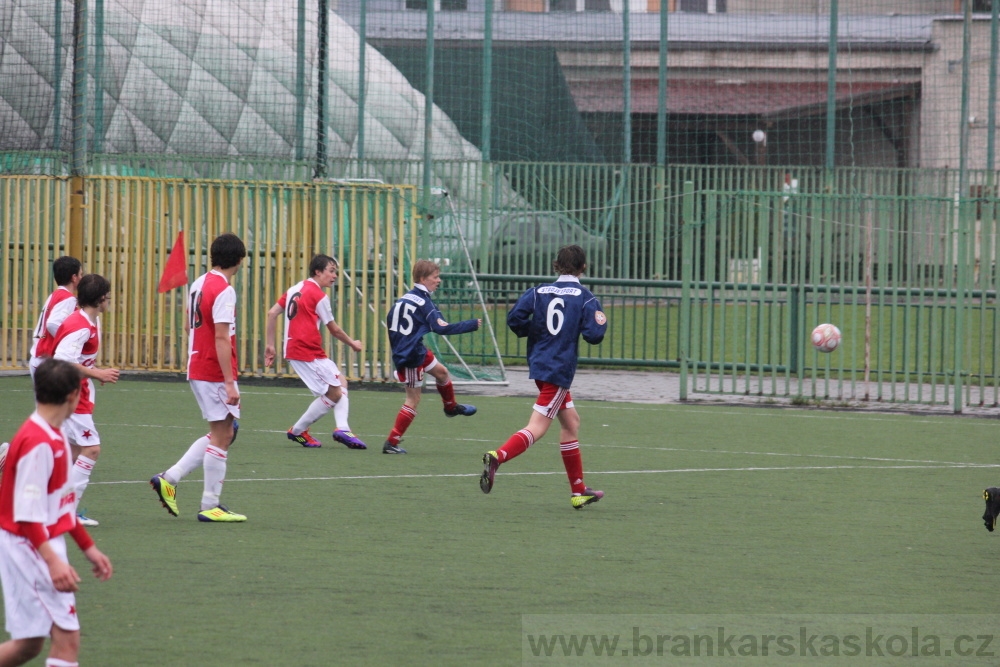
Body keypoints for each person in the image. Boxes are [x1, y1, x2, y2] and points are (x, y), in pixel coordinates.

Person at [0, 358, 113, 667]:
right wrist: (53, 562)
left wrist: (88, 548)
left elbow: (61, 504)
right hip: (30, 547)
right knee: (67, 639)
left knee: (28, 645)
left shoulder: (55, 434)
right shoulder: (39, 442)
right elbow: (27, 516)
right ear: (75, 395)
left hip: (35, 543)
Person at [480, 245, 608, 509]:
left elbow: (515, 319)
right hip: (558, 369)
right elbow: (594, 335)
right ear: (583, 267)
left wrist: (538, 330)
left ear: (556, 265)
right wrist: (599, 322)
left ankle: (579, 491)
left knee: (571, 423)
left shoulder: (538, 291)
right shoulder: (585, 298)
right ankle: (498, 456)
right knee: (537, 426)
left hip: (539, 364)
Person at [150, 232, 248, 523]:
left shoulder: (199, 283)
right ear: (239, 260)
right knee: (223, 434)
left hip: (198, 365)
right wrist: (229, 381)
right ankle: (209, 505)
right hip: (212, 370)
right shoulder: (224, 290)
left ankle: (170, 478)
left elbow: (188, 326)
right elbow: (221, 337)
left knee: (225, 432)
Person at [264, 254, 366, 449]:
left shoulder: (295, 288)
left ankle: (340, 428)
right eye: (331, 271)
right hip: (305, 351)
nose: (335, 275)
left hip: (304, 349)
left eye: (336, 271)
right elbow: (334, 329)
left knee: (340, 381)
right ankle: (300, 431)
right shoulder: (319, 296)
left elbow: (272, 313)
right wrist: (353, 343)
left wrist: (270, 345)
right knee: (334, 393)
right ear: (318, 272)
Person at [382, 259, 481, 454]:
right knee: (413, 399)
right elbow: (441, 328)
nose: (439, 280)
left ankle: (450, 407)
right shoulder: (424, 303)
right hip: (410, 355)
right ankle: (391, 443)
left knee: (442, 373)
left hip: (413, 348)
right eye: (435, 277)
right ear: (422, 279)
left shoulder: (405, 298)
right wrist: (470, 325)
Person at [51, 274, 120, 527]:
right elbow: (62, 360)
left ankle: (53, 506)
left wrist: (93, 371)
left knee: (72, 452)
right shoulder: (81, 326)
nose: (109, 300)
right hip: (71, 393)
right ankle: (66, 513)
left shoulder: (87, 320)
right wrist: (98, 373)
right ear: (100, 298)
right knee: (91, 449)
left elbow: (77, 359)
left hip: (71, 392)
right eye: (108, 296)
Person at [28, 256, 84, 380]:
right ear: (74, 277)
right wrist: (67, 340)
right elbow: (52, 324)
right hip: (47, 361)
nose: (81, 278)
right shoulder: (68, 299)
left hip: (39, 358)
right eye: (80, 274)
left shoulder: (55, 295)